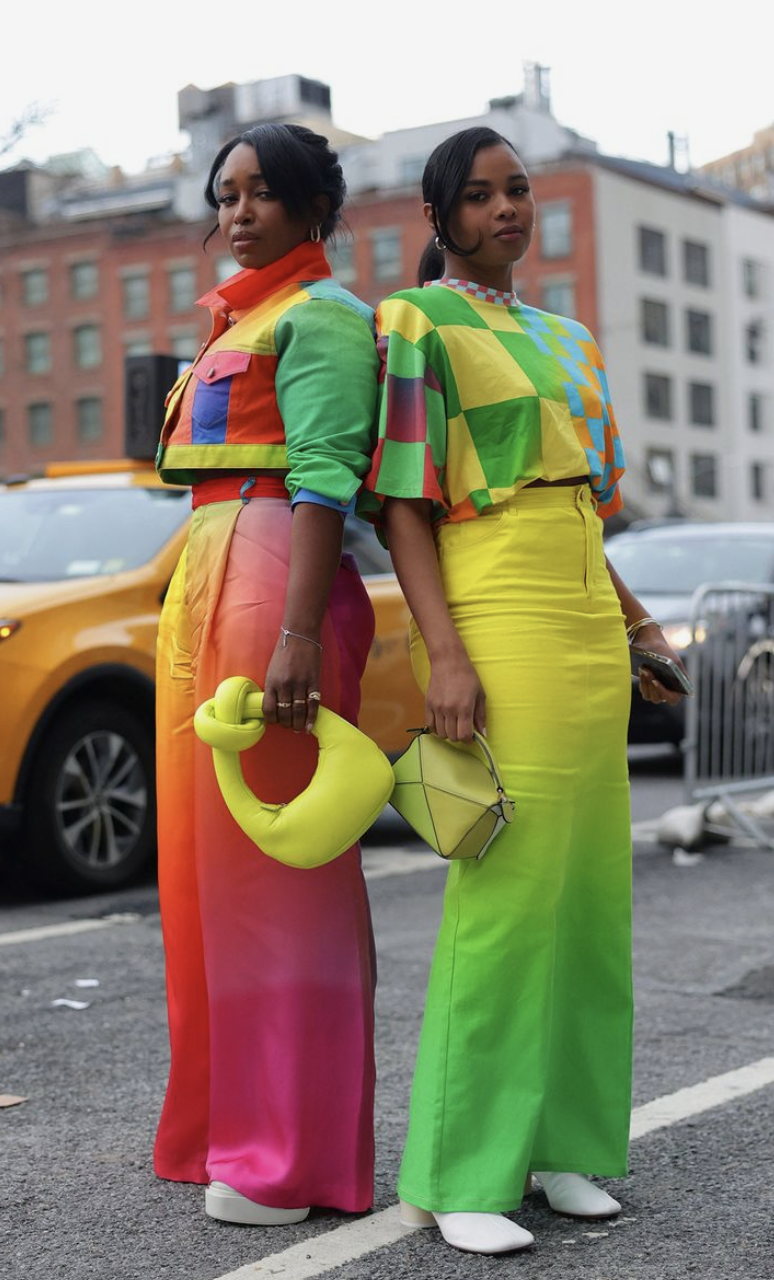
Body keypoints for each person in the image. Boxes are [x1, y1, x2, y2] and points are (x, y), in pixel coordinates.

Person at [359, 126, 688, 1255]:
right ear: (440, 215)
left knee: (591, 889)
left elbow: (583, 510)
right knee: (505, 888)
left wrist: (638, 619)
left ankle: (559, 1142)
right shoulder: (415, 322)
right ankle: (459, 1167)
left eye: (521, 192)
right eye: (484, 195)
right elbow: (402, 500)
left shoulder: (570, 339)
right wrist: (443, 655)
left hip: (583, 609)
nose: (508, 209)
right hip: (491, 596)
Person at [153, 123, 380, 1226]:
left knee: (271, 858)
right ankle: (223, 1125)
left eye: (263, 193)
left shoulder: (325, 316)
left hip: (271, 574)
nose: (238, 210)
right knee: (200, 867)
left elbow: (328, 476)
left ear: (310, 207)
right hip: (205, 569)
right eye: (226, 191)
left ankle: (285, 1151)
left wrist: (298, 635)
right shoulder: (235, 320)